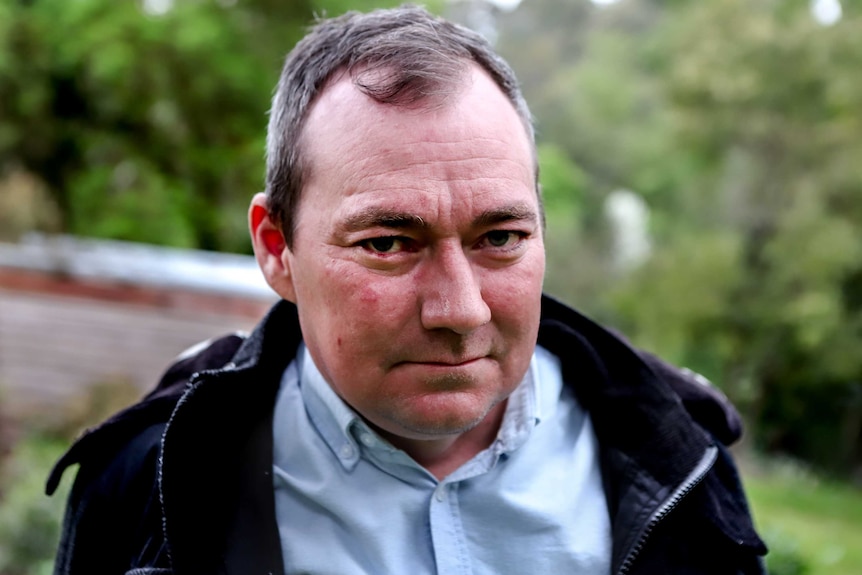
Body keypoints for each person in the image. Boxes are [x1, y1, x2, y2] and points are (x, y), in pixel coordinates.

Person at [47, 5, 767, 574]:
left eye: (500, 238)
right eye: (389, 244)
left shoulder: (685, 466)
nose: (460, 310)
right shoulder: (147, 485)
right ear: (276, 247)